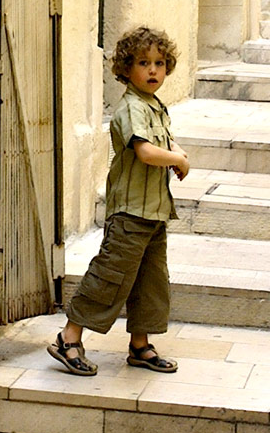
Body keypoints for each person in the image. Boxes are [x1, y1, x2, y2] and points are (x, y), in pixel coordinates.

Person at [48, 26, 189, 376]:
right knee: (109, 276)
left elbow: (163, 141)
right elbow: (145, 152)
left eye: (159, 63)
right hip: (130, 213)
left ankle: (140, 345)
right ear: (126, 68)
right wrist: (177, 159)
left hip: (153, 211)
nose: (153, 70)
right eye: (143, 63)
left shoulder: (154, 106)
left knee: (150, 282)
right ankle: (68, 338)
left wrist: (175, 150)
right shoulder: (131, 107)